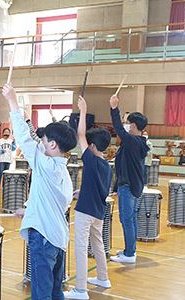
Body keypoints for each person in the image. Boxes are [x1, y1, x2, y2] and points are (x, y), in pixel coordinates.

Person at [2, 83, 77, 299]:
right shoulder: (62, 171)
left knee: (42, 294)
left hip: (44, 239)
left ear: (52, 144)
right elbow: (55, 205)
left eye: (43, 140)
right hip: (57, 238)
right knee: (54, 292)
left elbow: (25, 139)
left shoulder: (45, 165)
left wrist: (13, 101)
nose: (40, 142)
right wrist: (31, 210)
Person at [64, 96, 112, 300]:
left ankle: (81, 290)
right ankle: (103, 277)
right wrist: (81, 192)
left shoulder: (91, 160)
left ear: (92, 146)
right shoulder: (106, 165)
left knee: (81, 248)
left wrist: (83, 110)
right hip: (98, 212)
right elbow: (100, 188)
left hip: (85, 211)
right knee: (98, 244)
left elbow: (80, 133)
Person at [108, 95, 149, 264]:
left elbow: (118, 128)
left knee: (126, 219)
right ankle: (129, 249)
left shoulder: (133, 141)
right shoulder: (137, 141)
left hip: (129, 186)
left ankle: (129, 254)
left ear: (133, 125)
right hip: (132, 185)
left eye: (128, 123)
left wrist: (114, 108)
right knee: (130, 218)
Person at [0, 128, 16, 192]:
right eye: (5, 132)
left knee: (6, 174)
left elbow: (13, 149)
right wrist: (1, 151)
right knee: (0, 172)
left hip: (8, 159)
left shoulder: (11, 141)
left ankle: (5, 186)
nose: (6, 133)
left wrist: (14, 143)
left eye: (8, 132)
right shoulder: (0, 141)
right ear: (3, 133)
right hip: (1, 159)